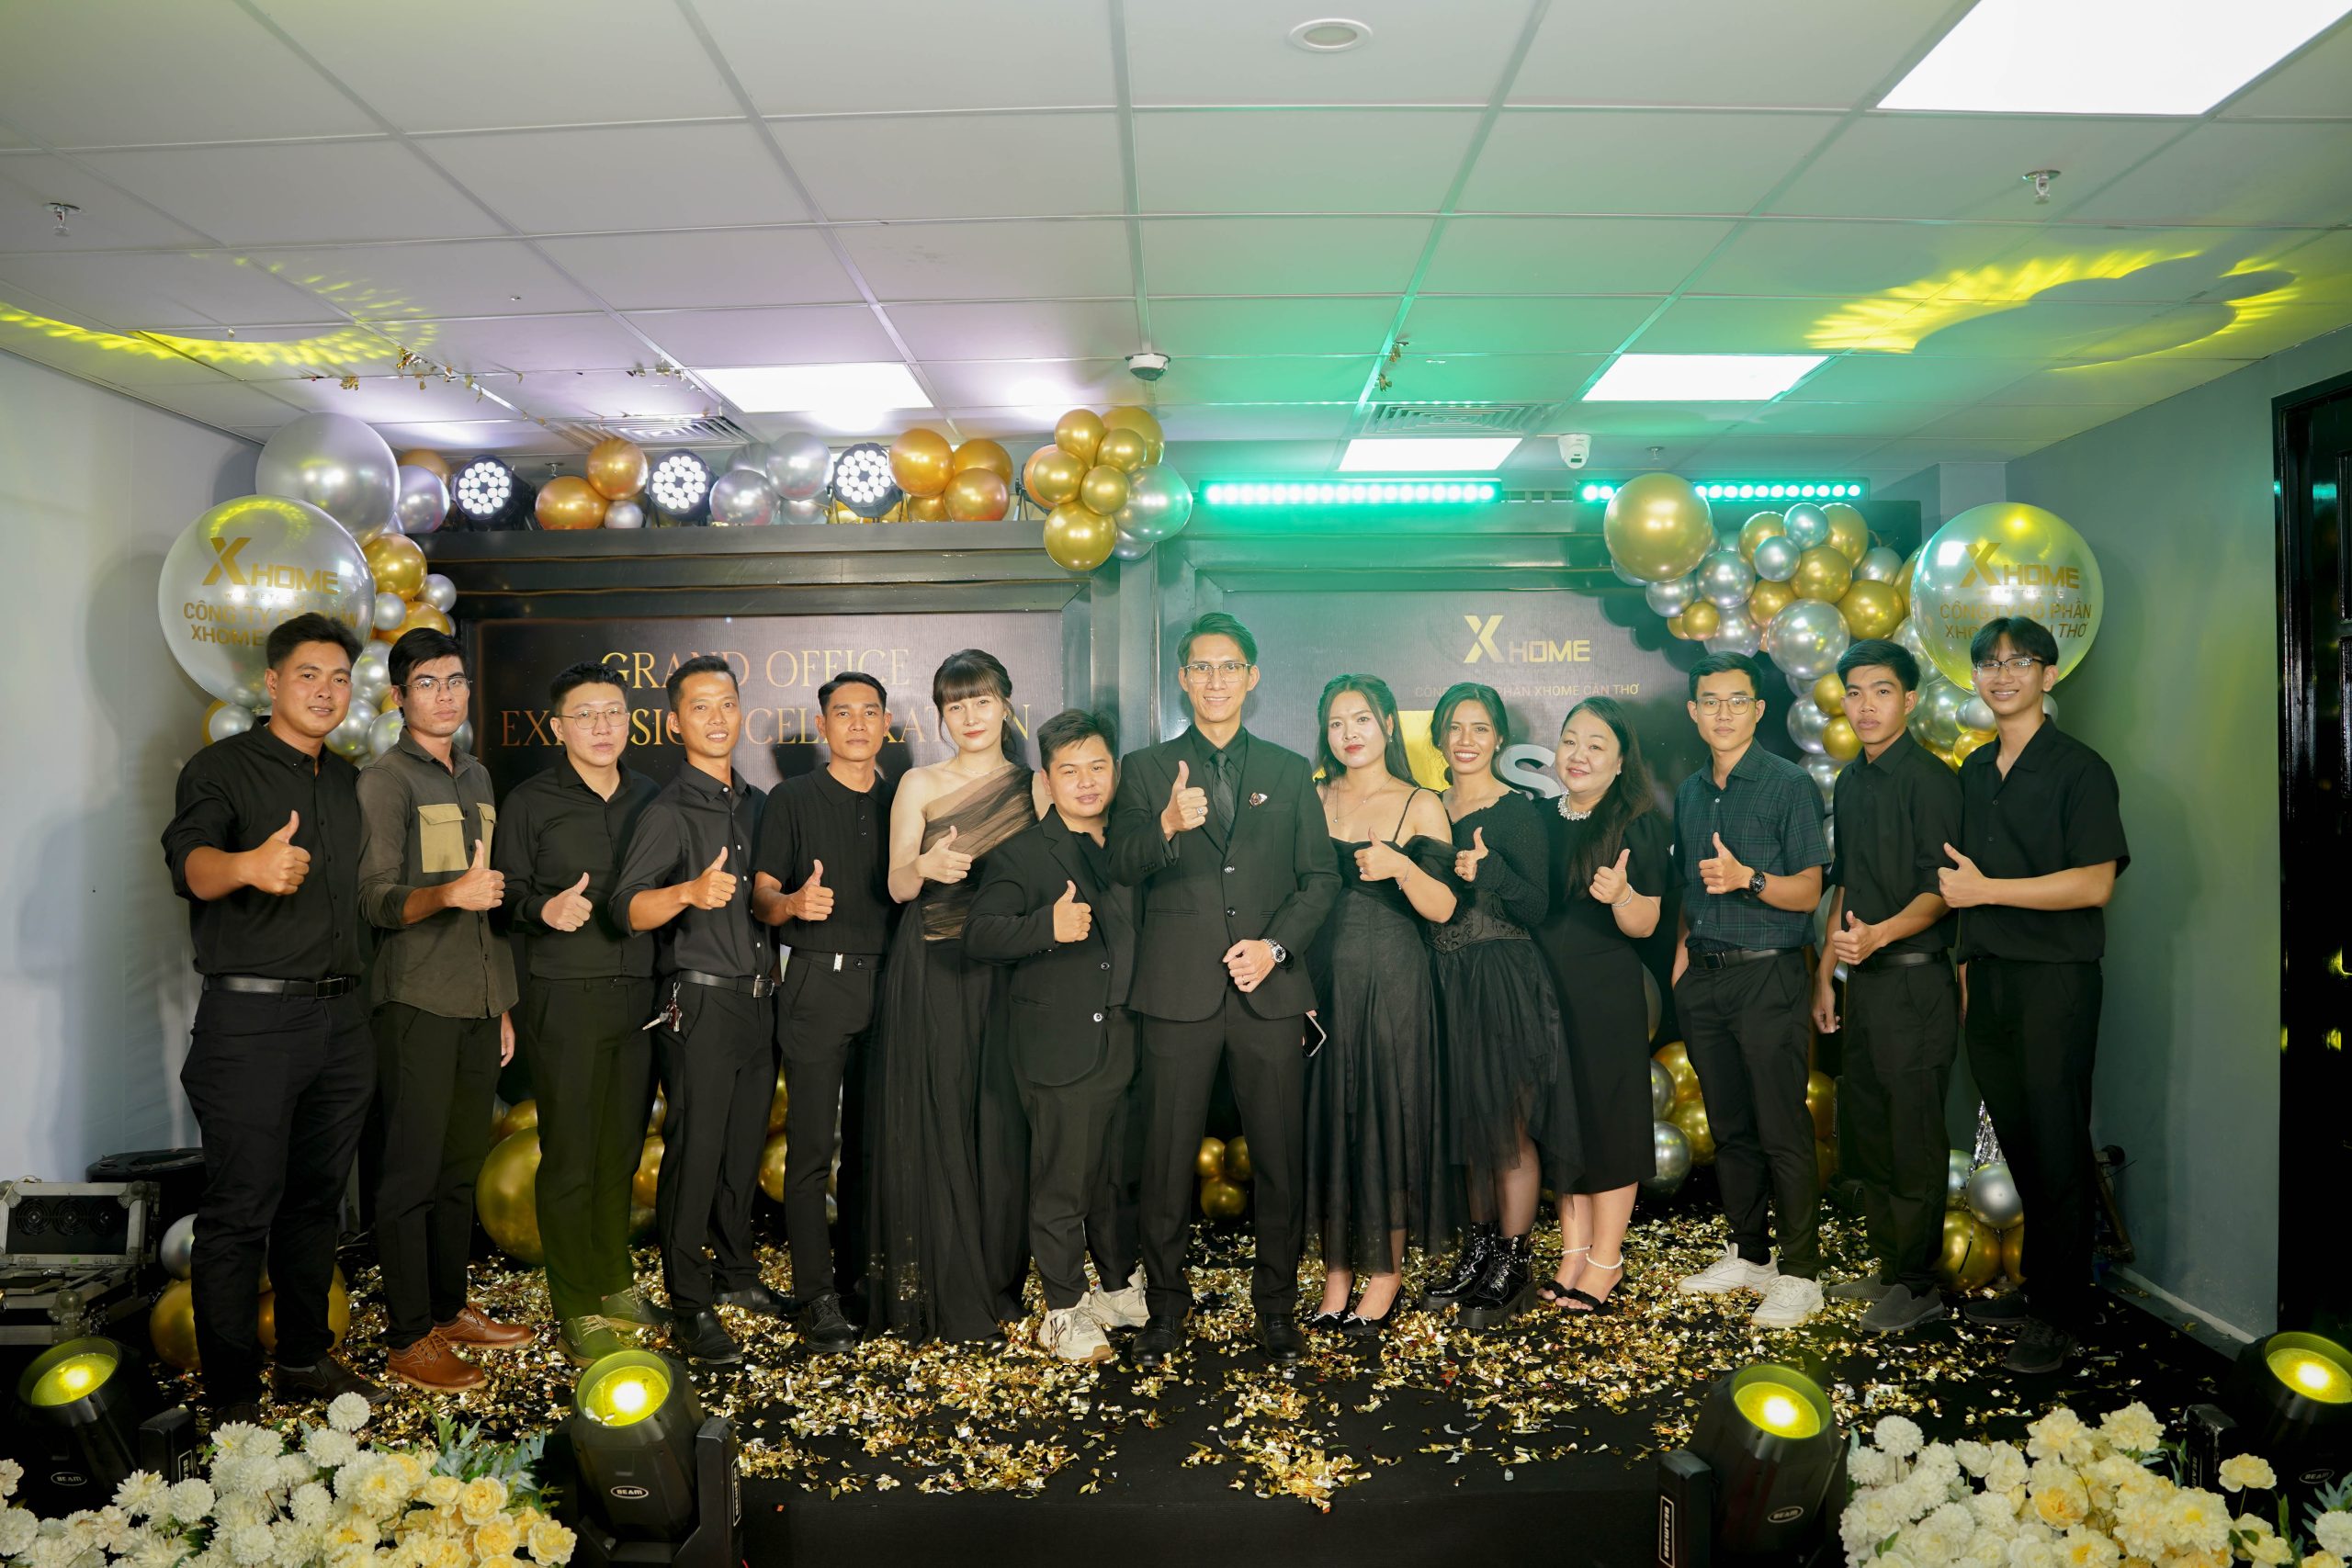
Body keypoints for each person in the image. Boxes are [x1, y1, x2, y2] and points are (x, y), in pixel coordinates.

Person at [162, 613, 385, 1421]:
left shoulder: (349, 781)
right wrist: (248, 865)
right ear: (272, 682)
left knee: (317, 1202)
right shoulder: (222, 768)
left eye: (339, 678)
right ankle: (231, 1404)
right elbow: (189, 865)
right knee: (240, 1210)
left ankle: (300, 1357)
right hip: (251, 1024)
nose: (325, 691)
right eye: (308, 675)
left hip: (341, 1021)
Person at [1109, 612, 1340, 1371]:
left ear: (1252, 676)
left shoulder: (1288, 770)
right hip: (1176, 992)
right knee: (1165, 1158)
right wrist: (1167, 823)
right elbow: (1120, 862)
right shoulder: (1146, 768)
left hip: (1268, 991)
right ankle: (1165, 1308)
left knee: (1279, 1157)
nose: (1215, 680)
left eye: (1229, 666)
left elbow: (1320, 879)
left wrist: (1274, 948)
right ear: (1182, 679)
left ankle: (1276, 1308)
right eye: (1202, 667)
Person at [1939, 615, 2127, 1376]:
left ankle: (2062, 1312)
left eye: (2020, 661)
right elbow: (1961, 890)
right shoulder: (1973, 772)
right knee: (2022, 1142)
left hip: (2056, 980)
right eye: (1989, 663)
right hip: (1988, 979)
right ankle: (2045, 1287)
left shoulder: (2081, 769)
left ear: (2049, 675)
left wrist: (1989, 890)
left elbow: (2094, 883)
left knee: (2057, 1143)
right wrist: (1965, 972)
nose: (2003, 674)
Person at [356, 626, 530, 1393]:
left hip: (477, 1000)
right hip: (416, 1000)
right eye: (428, 683)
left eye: (456, 680)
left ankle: (448, 1309)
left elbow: (488, 904)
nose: (446, 695)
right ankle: (407, 1336)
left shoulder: (478, 774)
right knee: (410, 1176)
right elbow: (374, 899)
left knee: (460, 1169)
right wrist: (448, 893)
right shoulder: (384, 780)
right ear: (400, 696)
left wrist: (500, 1003)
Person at [863, 649, 1045, 1343]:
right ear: (941, 715)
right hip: (935, 965)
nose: (970, 716)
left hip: (1011, 972)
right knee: (940, 1119)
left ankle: (1000, 1282)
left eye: (982, 700)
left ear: (1005, 705)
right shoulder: (919, 782)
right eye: (955, 705)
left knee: (1002, 1125)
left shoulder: (1035, 786)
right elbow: (895, 884)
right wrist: (926, 865)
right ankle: (952, 1286)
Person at [614, 655, 790, 1367]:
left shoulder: (757, 802)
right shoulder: (666, 811)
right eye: (699, 706)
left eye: (727, 703)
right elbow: (627, 908)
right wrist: (687, 891)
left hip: (759, 1000)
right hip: (700, 1002)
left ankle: (737, 1273)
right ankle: (689, 1301)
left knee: (742, 1147)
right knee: (696, 1153)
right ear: (675, 722)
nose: (716, 718)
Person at [493, 659, 666, 1367]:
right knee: (570, 1154)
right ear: (559, 726)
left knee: (620, 1149)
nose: (602, 726)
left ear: (629, 721)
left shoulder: (651, 796)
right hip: (563, 996)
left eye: (613, 712)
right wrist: (544, 907)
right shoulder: (531, 801)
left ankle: (614, 1281)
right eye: (586, 714)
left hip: (640, 994)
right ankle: (575, 1305)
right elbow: (503, 898)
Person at [965, 708, 1148, 1363]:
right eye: (1070, 771)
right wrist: (1047, 925)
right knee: (1063, 1182)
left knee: (1116, 1179)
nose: (1087, 781)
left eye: (1097, 767)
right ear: (1047, 780)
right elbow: (979, 934)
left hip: (1129, 1039)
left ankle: (1117, 1288)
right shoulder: (1022, 852)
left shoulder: (1131, 847)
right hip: (1061, 1043)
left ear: (1115, 771)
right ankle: (1063, 1310)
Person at [1669, 651, 1831, 1328]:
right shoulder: (1689, 791)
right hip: (1705, 978)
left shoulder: (1789, 784)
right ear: (1693, 711)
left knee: (1780, 1125)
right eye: (1711, 701)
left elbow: (1810, 892)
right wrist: (1681, 967)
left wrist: (1749, 879)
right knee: (1730, 1127)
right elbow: (1688, 889)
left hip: (1769, 974)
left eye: (1737, 701)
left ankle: (1801, 1273)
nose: (1724, 713)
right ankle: (1751, 1253)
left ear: (1759, 710)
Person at [1810, 638, 1962, 1337]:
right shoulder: (1850, 781)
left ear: (1909, 699)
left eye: (1881, 691)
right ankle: (1890, 1265)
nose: (1866, 706)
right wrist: (1826, 975)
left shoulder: (1930, 780)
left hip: (1915, 983)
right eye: (1855, 692)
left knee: (1914, 1136)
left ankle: (1918, 1284)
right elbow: (1844, 885)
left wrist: (1880, 936)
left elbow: (1942, 890)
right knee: (1868, 1130)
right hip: (1864, 986)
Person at [1306, 674, 1458, 1339]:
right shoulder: (1312, 797)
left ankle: (1385, 1271)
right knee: (1330, 1121)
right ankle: (1337, 1272)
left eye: (1362, 719)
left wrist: (1402, 867)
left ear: (1389, 725)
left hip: (1394, 981)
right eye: (1337, 722)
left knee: (1386, 1118)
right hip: (1321, 984)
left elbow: (1444, 908)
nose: (1350, 733)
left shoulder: (1421, 804)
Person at [751, 671, 897, 1356]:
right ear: (824, 725)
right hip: (816, 982)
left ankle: (861, 1282)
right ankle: (816, 1296)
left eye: (870, 711)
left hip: (890, 987)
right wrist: (792, 905)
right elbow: (761, 897)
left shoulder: (903, 798)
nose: (858, 723)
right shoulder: (792, 798)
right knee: (811, 1150)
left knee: (870, 1149)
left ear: (887, 723)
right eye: (844, 712)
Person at [1419, 683, 1566, 1329]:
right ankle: (1479, 1250)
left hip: (1501, 974)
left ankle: (1513, 1259)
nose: (1466, 740)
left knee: (1507, 1123)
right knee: (1468, 1123)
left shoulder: (1517, 813)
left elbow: (1538, 906)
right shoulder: (1426, 807)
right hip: (1443, 978)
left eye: (1480, 728)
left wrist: (1492, 872)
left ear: (1500, 738)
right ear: (1439, 736)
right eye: (1455, 727)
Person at [1531, 697, 1668, 1314]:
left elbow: (1647, 924)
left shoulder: (1636, 822)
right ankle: (1573, 1252)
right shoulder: (1537, 818)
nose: (1578, 755)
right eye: (1570, 741)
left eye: (1595, 745)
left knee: (1609, 1123)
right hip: (1545, 993)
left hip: (1605, 995)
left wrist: (1622, 895)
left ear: (1619, 762)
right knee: (1565, 1123)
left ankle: (1606, 1260)